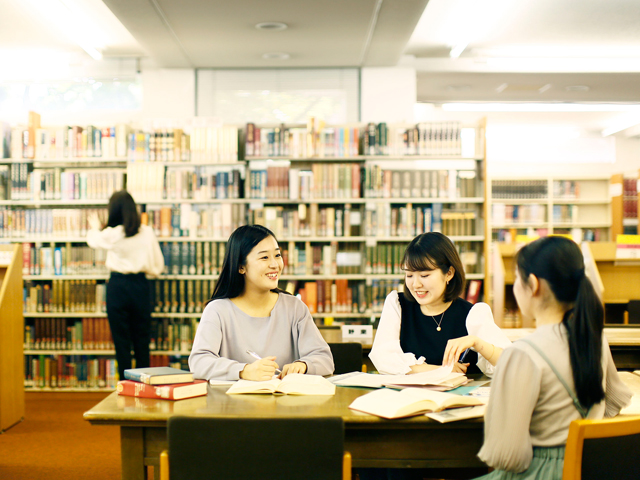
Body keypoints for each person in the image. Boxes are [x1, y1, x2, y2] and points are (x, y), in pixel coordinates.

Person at [476, 236, 632, 479]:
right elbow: (613, 405)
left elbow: (507, 457)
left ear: (533, 284)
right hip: (588, 469)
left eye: (517, 278)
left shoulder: (521, 353)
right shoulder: (595, 338)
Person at [189, 224, 334, 381]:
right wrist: (243, 371)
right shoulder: (218, 310)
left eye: (277, 255)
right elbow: (199, 363)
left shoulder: (294, 308)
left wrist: (304, 365)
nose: (275, 264)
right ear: (241, 267)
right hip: (233, 403)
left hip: (286, 402)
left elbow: (324, 359)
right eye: (264, 257)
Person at [369, 232, 510, 376]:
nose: (416, 284)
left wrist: (477, 343)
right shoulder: (397, 305)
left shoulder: (473, 314)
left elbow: (509, 364)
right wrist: (442, 370)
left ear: (449, 273)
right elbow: (384, 361)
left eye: (425, 275)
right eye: (409, 275)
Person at [86, 190, 164, 380]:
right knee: (142, 341)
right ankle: (145, 386)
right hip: (140, 286)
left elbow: (92, 241)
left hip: (118, 286)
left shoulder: (113, 234)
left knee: (121, 342)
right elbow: (158, 266)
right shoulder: (146, 232)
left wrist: (96, 227)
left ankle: (125, 386)